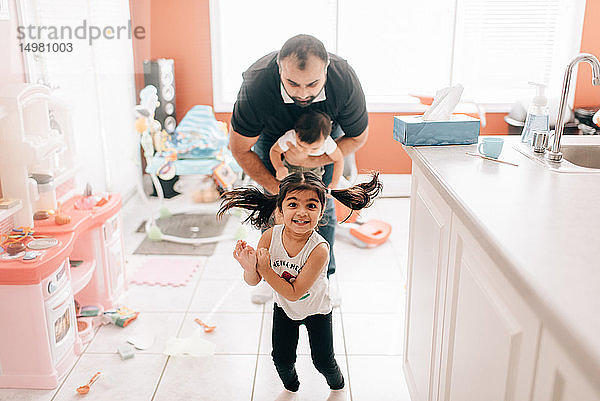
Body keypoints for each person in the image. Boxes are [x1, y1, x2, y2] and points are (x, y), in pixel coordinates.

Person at [230, 34, 369, 305]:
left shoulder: (344, 79)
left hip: (323, 141)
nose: (303, 94)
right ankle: (268, 275)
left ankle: (324, 277)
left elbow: (358, 137)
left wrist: (314, 161)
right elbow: (239, 148)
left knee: (322, 206)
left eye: (313, 84)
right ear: (279, 69)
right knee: (274, 207)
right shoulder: (257, 85)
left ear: (327, 69)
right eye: (293, 83)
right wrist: (277, 192)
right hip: (273, 141)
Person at [218, 172, 382, 401]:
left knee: (323, 360)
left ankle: (338, 385)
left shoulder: (319, 249)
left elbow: (294, 293)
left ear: (321, 211)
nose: (302, 212)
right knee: (281, 358)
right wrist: (249, 267)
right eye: (293, 204)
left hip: (317, 310)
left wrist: (264, 268)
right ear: (280, 209)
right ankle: (291, 388)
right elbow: (254, 281)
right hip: (284, 309)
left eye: (311, 205)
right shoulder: (268, 237)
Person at [270, 109, 344, 188]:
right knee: (285, 189)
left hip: (314, 171)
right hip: (289, 168)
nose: (306, 151)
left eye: (314, 149)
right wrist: (279, 167)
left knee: (313, 191)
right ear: (296, 133)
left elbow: (338, 159)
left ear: (325, 139)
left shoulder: (327, 143)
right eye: (301, 145)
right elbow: (274, 151)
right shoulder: (290, 137)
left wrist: (335, 182)